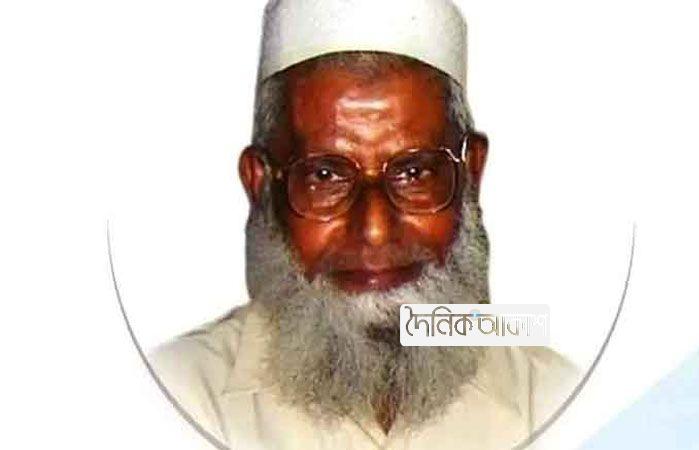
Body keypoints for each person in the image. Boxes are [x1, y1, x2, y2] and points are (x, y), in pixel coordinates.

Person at [150, 0, 578, 448]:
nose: (375, 229)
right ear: (260, 185)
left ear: (471, 173)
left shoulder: (554, 402)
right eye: (324, 176)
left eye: (415, 172)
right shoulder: (177, 399)